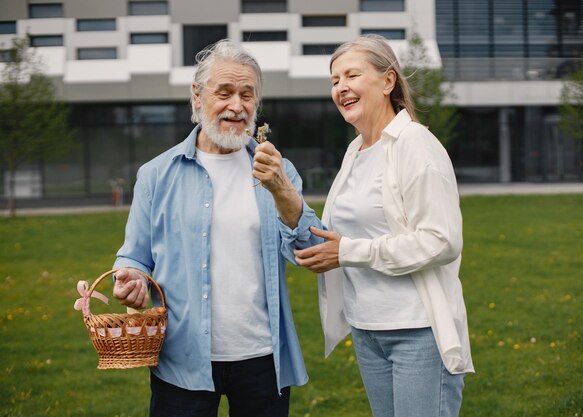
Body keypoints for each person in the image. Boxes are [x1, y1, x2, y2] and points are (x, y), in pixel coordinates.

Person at [111, 39, 320, 417]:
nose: (237, 106)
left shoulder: (278, 171)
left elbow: (309, 249)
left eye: (247, 95)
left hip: (263, 358)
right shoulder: (156, 175)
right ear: (197, 96)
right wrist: (132, 280)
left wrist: (283, 191)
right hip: (181, 359)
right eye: (224, 93)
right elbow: (134, 256)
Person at [293, 35, 474, 417]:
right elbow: (336, 234)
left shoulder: (415, 145)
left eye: (351, 75)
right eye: (334, 80)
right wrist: (282, 193)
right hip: (368, 328)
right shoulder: (355, 151)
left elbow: (441, 240)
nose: (341, 87)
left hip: (417, 331)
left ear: (388, 81)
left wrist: (348, 252)